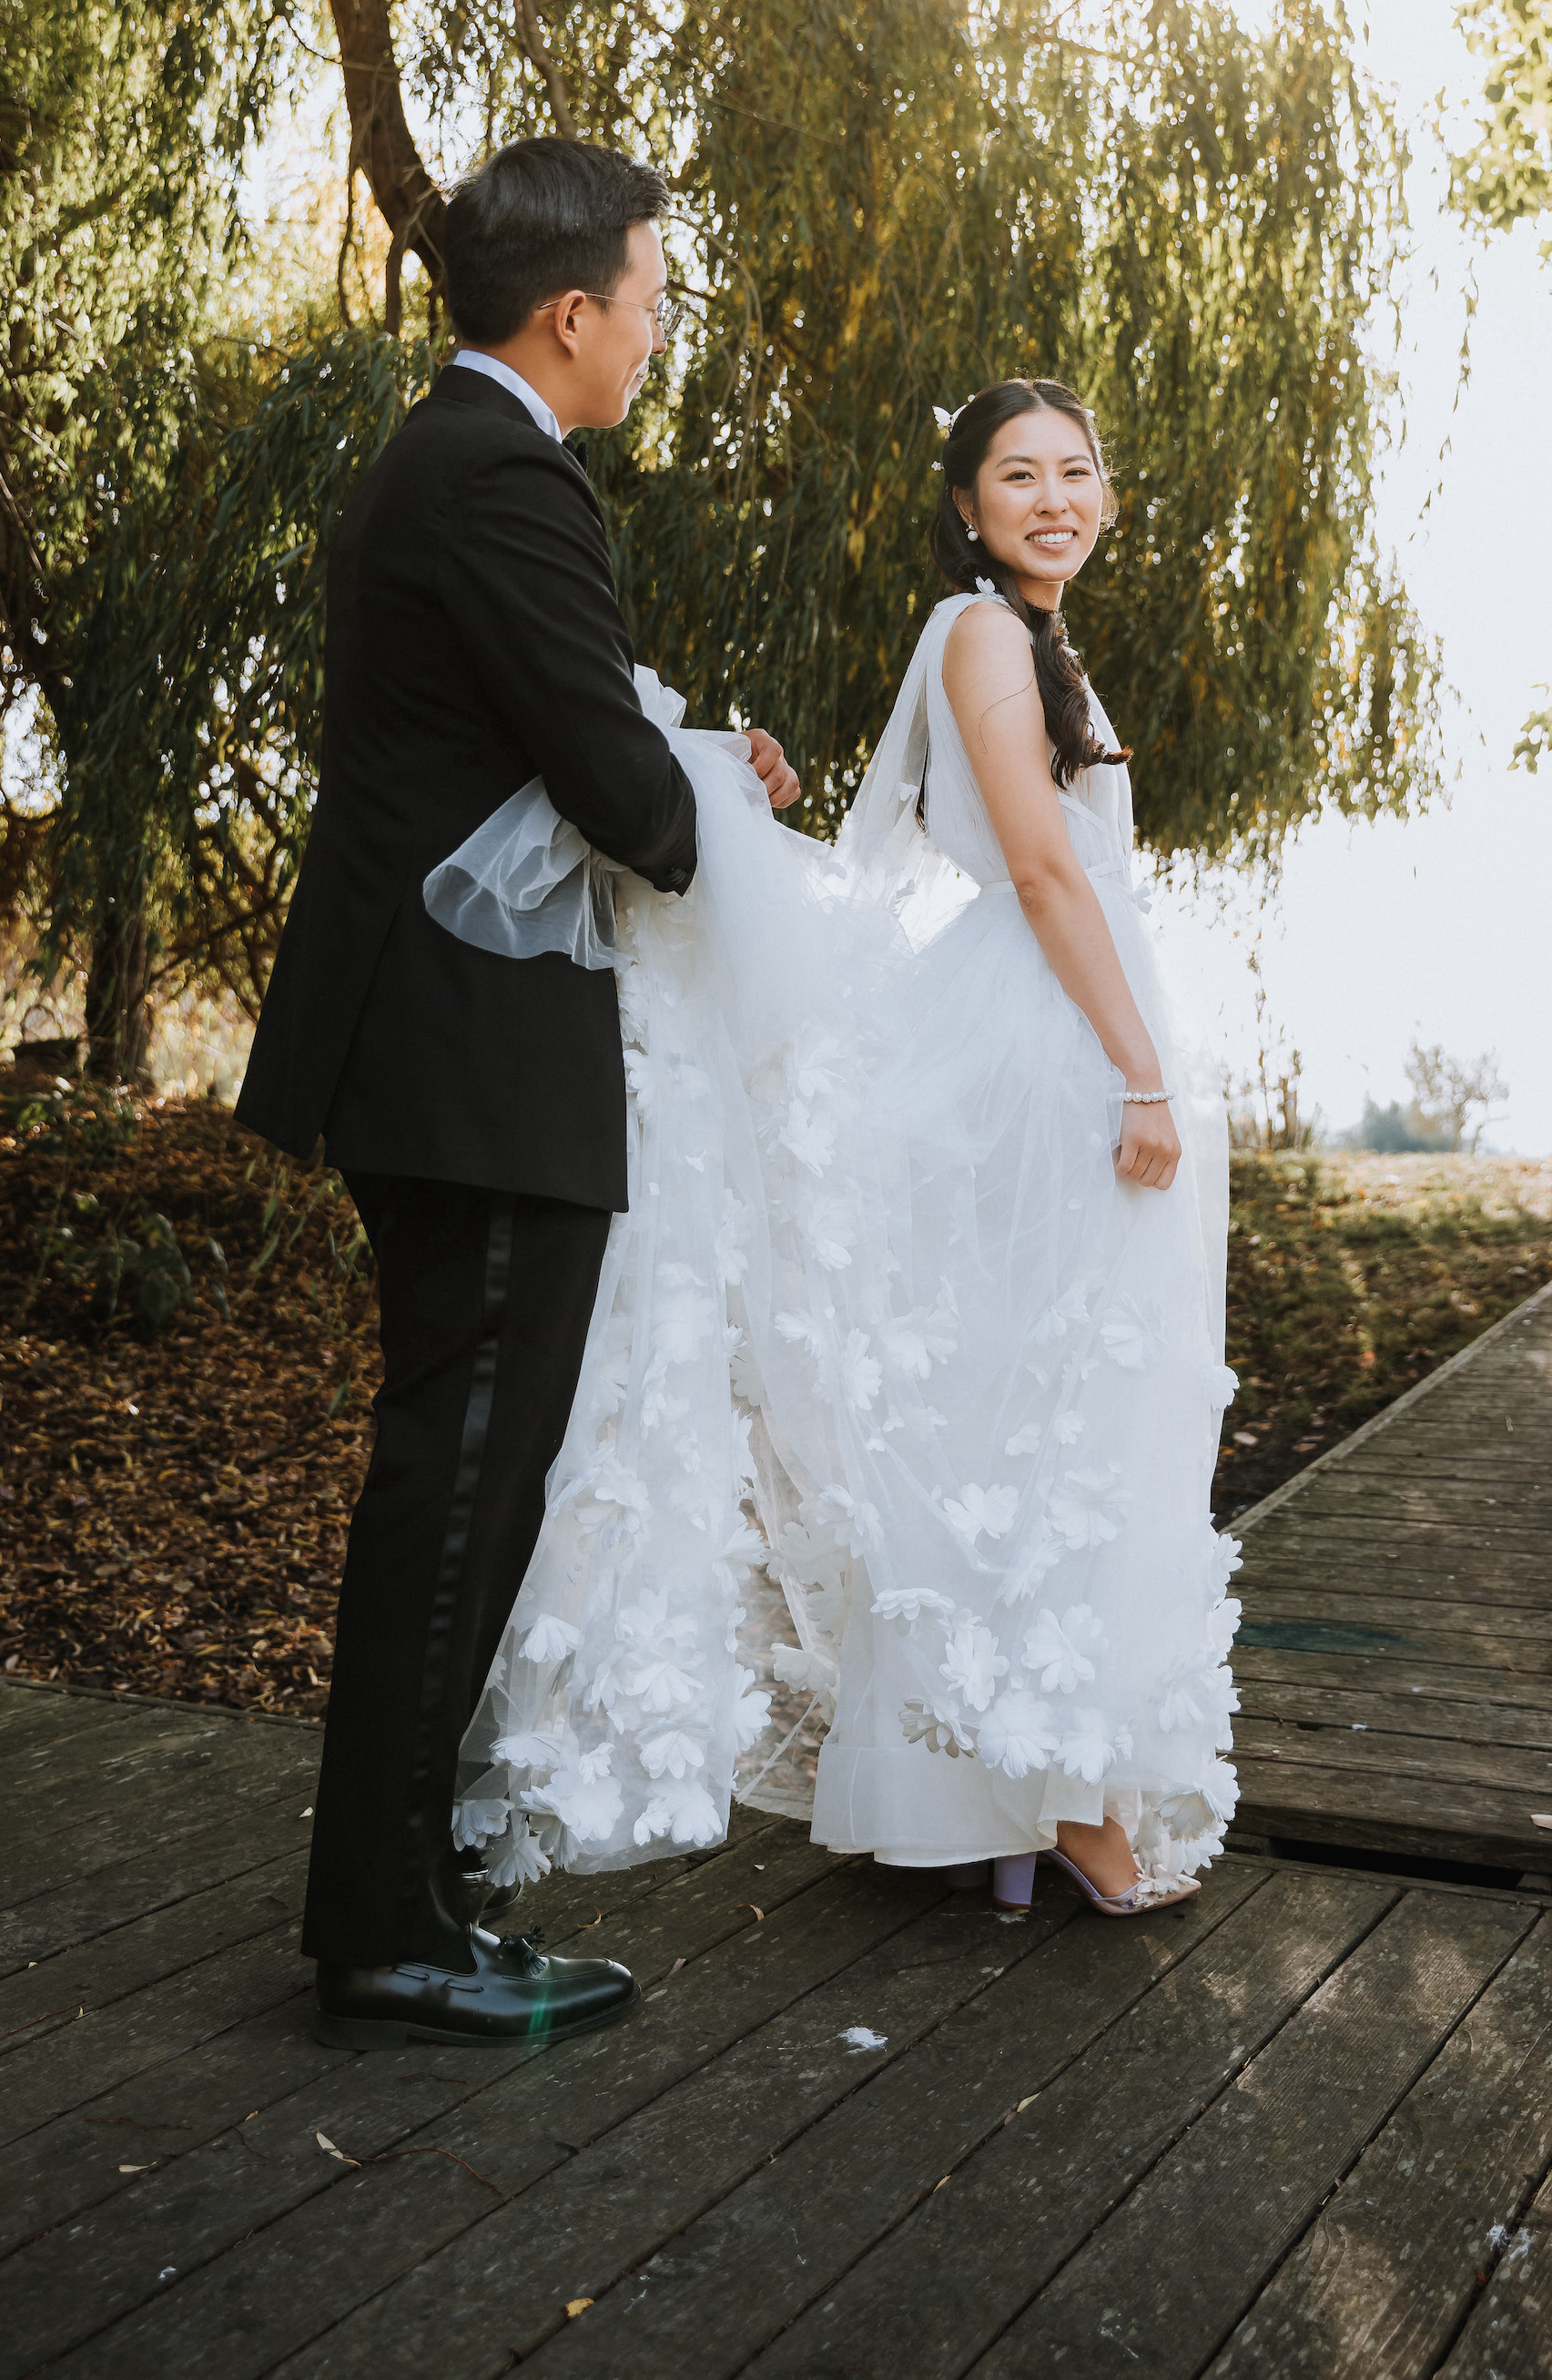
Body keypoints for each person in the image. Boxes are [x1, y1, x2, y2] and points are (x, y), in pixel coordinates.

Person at [447, 381, 1239, 1920]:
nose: (1055, 496)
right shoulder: (982, 635)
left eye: (1078, 470)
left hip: (1061, 1023)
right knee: (1045, 1397)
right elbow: (1035, 865)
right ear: (967, 504)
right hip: (1048, 1040)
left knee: (1062, 1394)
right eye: (1020, 474)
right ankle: (1048, 1793)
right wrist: (1141, 1072)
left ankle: (1029, 1783)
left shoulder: (1034, 640)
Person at [236, 135, 798, 2050]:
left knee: (461, 1474)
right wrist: (688, 786)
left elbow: (554, 732)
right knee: (456, 1477)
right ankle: (385, 1924)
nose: (654, 336)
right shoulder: (504, 476)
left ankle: (404, 1883)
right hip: (464, 1053)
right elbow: (620, 803)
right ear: (570, 314)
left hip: (448, 1042)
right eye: (649, 303)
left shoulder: (449, 467)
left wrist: (693, 751)